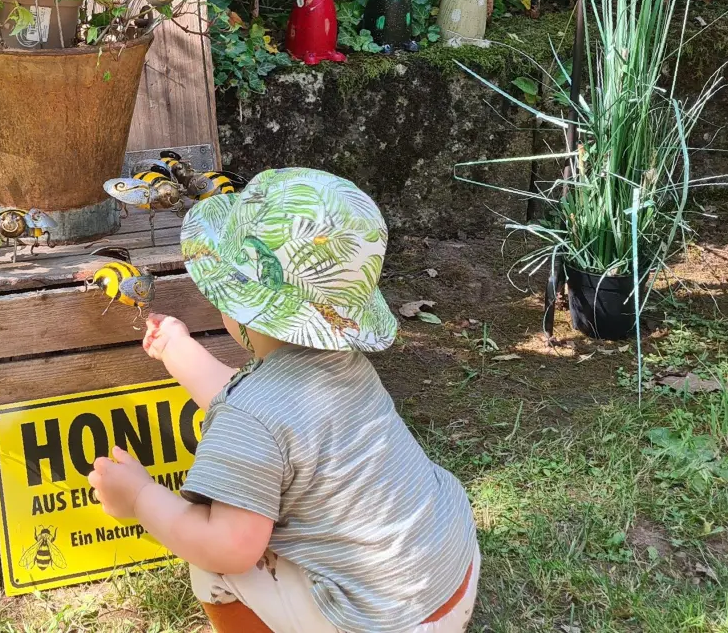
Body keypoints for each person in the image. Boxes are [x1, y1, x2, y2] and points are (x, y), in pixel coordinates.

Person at [87, 168, 480, 633]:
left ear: (234, 300)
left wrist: (139, 497)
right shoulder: (342, 365)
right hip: (450, 581)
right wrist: (176, 348)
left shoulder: (253, 415)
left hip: (382, 623)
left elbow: (229, 546)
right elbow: (256, 409)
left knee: (211, 560)